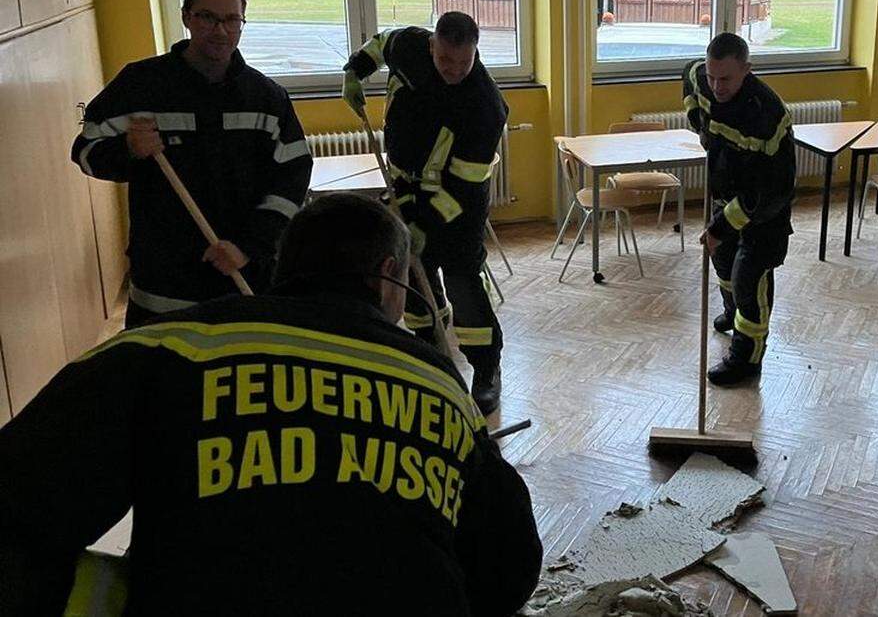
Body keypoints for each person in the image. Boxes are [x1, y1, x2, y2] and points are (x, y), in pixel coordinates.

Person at [0, 193, 543, 616]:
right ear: (388, 276)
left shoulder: (160, 352)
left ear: (284, 266)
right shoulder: (440, 386)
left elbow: (19, 500)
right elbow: (511, 570)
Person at [70, 0, 312, 328]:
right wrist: (129, 151)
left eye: (232, 20)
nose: (221, 31)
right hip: (164, 288)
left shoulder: (265, 98)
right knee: (161, 380)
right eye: (207, 18)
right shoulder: (141, 86)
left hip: (244, 280)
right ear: (186, 17)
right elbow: (85, 152)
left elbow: (292, 179)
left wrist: (248, 247)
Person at [342, 11, 507, 415]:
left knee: (463, 280)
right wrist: (354, 71)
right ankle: (432, 357)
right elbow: (380, 44)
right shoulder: (411, 46)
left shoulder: (484, 108)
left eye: (463, 63)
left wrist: (423, 221)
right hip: (403, 185)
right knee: (414, 280)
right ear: (431, 46)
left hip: (455, 205)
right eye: (445, 61)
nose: (453, 71)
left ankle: (486, 368)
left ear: (475, 52)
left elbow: (463, 190)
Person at [682, 33, 796, 386]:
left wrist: (718, 228)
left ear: (747, 69)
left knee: (749, 278)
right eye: (712, 76)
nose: (716, 85)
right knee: (723, 262)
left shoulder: (766, 116)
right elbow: (688, 77)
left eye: (726, 79)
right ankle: (732, 313)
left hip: (765, 211)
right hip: (726, 192)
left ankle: (747, 358)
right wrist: (699, 123)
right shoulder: (703, 76)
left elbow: (763, 195)